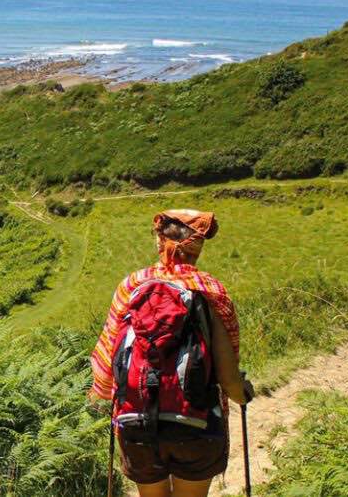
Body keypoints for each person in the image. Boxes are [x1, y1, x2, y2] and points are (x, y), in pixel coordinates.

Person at [89, 209, 251, 497]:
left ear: (158, 242)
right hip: (196, 425)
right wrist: (243, 393)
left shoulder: (132, 286)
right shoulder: (209, 291)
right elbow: (228, 380)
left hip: (136, 424)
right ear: (197, 248)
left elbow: (107, 367)